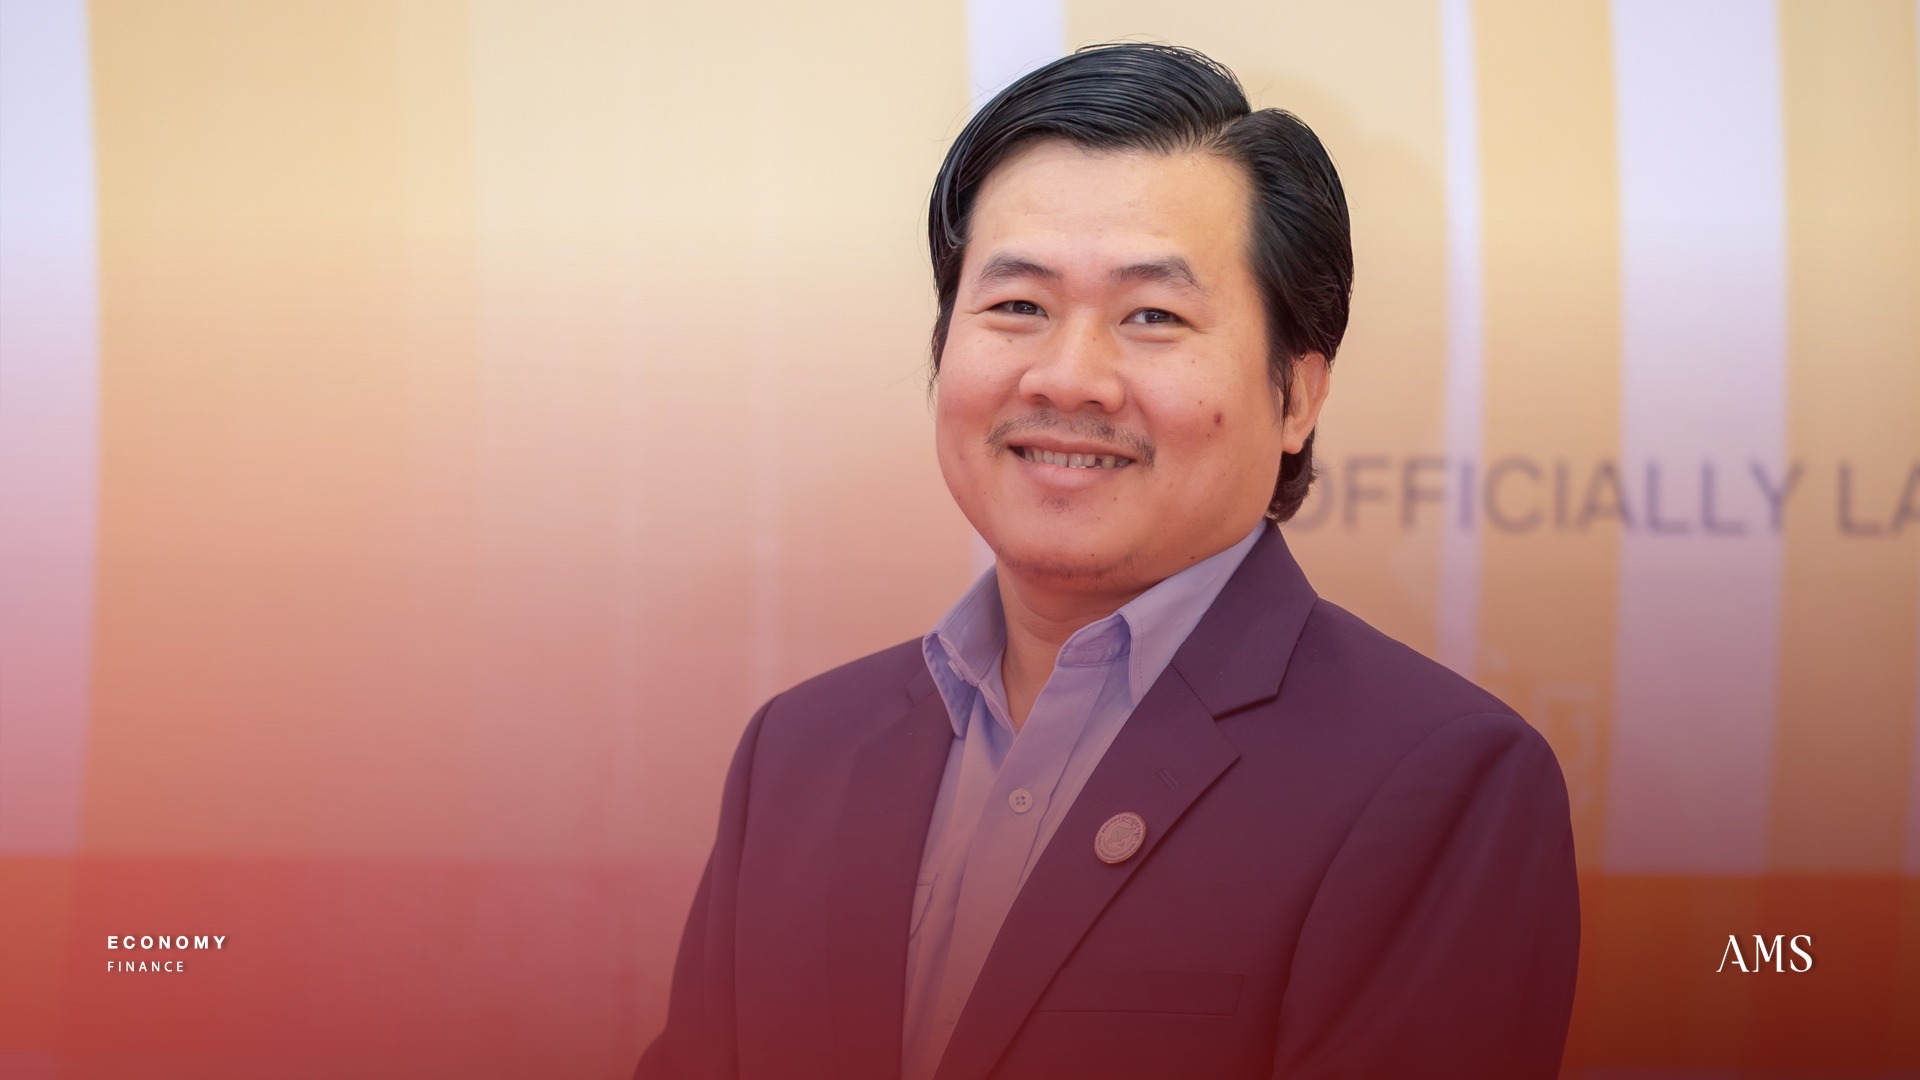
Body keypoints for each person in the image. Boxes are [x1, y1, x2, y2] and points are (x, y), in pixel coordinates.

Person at [634, 42, 1578, 1080]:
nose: (1069, 376)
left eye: (1152, 317)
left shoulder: (1439, 780)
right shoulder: (801, 752)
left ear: (1298, 395)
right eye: (1018, 307)